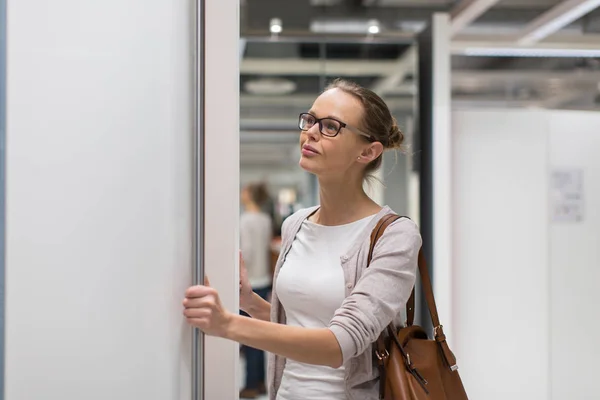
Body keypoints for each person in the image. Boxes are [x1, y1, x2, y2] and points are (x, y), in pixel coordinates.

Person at [183, 78, 422, 400]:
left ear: (368, 151)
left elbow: (340, 344)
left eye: (330, 126)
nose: (309, 131)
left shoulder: (394, 235)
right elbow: (302, 325)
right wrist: (249, 303)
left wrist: (226, 324)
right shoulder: (296, 224)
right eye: (310, 120)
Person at [239, 182, 273, 398]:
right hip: (264, 279)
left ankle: (250, 384)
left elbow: (247, 252)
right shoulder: (265, 219)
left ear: (249, 195)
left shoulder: (245, 220)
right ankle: (260, 381)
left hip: (250, 282)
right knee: (260, 336)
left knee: (249, 336)